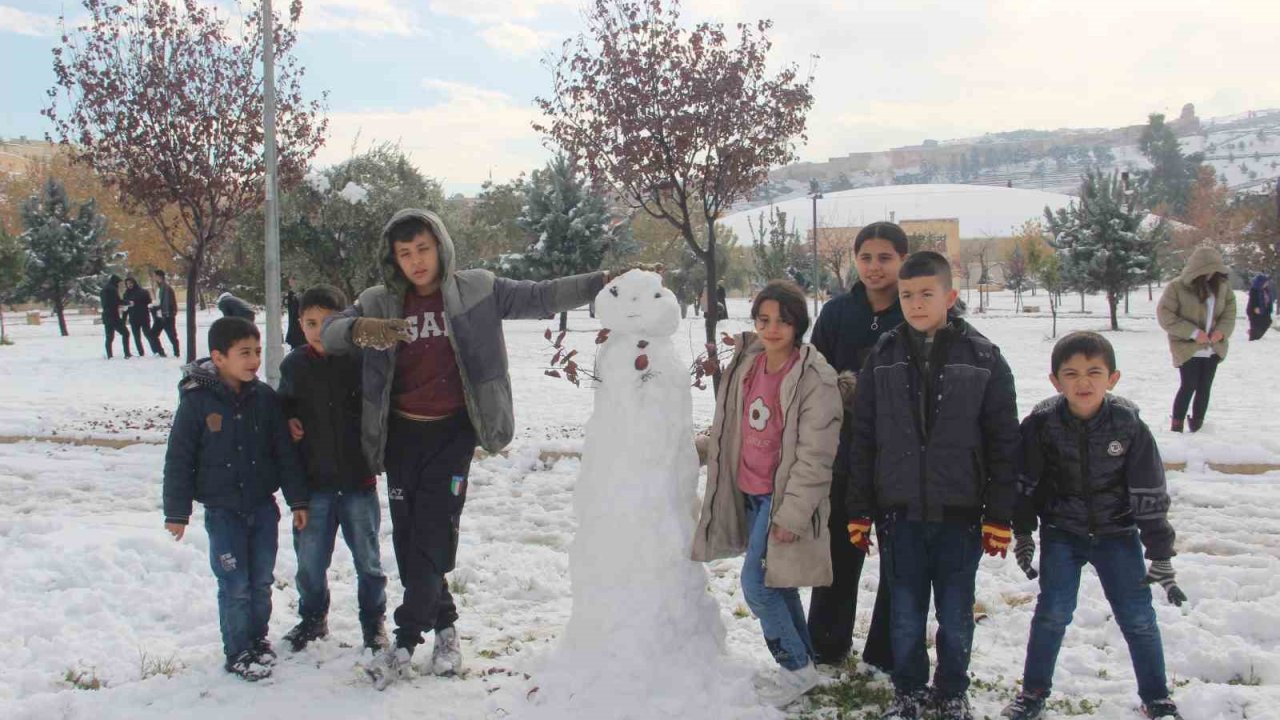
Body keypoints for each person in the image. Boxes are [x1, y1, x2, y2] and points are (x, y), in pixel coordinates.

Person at [320, 208, 612, 689]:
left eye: (423, 249)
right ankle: (448, 628)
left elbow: (540, 297)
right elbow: (329, 333)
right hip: (400, 437)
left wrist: (600, 281)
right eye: (404, 253)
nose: (416, 261)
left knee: (433, 531)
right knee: (412, 537)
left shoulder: (477, 289)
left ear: (440, 246)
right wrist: (360, 329)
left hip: (453, 433)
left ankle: (406, 640)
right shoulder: (379, 300)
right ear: (393, 258)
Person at [846, 251, 1020, 720]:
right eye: (907, 295)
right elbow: (864, 438)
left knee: (956, 614)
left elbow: (1005, 442)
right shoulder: (882, 356)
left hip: (960, 514)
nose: (916, 303)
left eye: (927, 294)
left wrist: (1001, 516)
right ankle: (909, 692)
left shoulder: (983, 357)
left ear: (951, 296)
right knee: (904, 614)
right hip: (899, 513)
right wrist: (859, 508)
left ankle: (951, 691)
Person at [1001, 332, 1185, 720]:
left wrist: (1161, 553)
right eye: (1071, 373)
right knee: (1052, 612)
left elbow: (1149, 490)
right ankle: (1033, 693)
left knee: (1137, 616)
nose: (1083, 382)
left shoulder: (1128, 425)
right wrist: (1023, 531)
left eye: (1093, 372)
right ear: (1055, 381)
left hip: (1117, 535)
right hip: (1062, 534)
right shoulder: (1041, 425)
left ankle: (1157, 698)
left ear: (1112, 378)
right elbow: (1025, 483)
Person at [691, 280, 843, 709]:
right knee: (779, 582)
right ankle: (805, 665)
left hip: (782, 502)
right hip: (750, 493)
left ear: (799, 325)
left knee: (757, 586)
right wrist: (698, 451)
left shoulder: (815, 378)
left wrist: (791, 516)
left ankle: (794, 667)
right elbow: (730, 428)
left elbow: (815, 457)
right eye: (763, 320)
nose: (772, 329)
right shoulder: (748, 364)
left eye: (783, 321)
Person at [161, 317, 309, 681]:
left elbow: (284, 454)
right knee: (234, 584)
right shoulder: (197, 403)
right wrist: (177, 512)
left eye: (257, 352)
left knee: (260, 580)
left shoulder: (265, 399)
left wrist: (298, 501)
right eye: (244, 353)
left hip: (262, 508)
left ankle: (257, 640)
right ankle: (238, 649)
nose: (254, 360)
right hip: (223, 512)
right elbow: (179, 458)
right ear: (219, 357)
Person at [806, 221, 907, 671]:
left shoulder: (915, 309)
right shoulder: (836, 314)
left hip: (902, 456)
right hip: (845, 454)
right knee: (839, 551)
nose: (874, 267)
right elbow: (814, 379)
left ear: (902, 260)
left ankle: (886, 652)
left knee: (900, 559)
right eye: (866, 257)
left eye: (885, 257)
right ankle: (827, 646)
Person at [277, 285, 388, 653]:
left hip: (358, 483)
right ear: (299, 324)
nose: (319, 330)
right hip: (315, 488)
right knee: (309, 563)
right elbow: (283, 409)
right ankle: (312, 618)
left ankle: (373, 623)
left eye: (329, 323)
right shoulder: (293, 365)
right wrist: (287, 419)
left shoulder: (361, 361)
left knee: (369, 563)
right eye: (310, 323)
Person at [1156, 247, 1236, 433]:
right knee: (1189, 385)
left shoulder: (1223, 287)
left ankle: (1198, 424)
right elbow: (1165, 315)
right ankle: (1177, 425)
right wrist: (1192, 333)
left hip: (1213, 348)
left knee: (1204, 387)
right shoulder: (1177, 287)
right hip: (1187, 348)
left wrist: (1221, 332)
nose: (1210, 274)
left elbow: (1229, 313)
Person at [123, 276, 162, 356]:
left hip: (144, 317)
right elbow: (125, 307)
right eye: (127, 284)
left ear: (134, 283)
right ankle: (141, 352)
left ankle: (155, 350)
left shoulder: (143, 292)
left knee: (148, 334)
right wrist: (124, 319)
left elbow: (149, 303)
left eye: (130, 283)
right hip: (133, 318)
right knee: (136, 336)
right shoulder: (126, 294)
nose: (129, 285)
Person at [100, 275, 131, 359]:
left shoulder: (104, 289)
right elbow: (117, 301)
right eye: (119, 283)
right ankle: (127, 353)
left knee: (109, 336)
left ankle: (109, 355)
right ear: (116, 282)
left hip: (106, 315)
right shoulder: (112, 289)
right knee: (125, 333)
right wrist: (128, 302)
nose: (119, 285)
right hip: (113, 316)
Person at [151, 269, 180, 357]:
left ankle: (176, 353)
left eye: (155, 276)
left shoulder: (166, 288)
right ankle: (160, 351)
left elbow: (167, 302)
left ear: (159, 276)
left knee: (171, 335)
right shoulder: (160, 287)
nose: (154, 278)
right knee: (153, 334)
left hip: (166, 315)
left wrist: (166, 313)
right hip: (161, 315)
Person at [1246, 273, 1273, 341]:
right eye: (1265, 282)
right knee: (1256, 325)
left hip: (1265, 310)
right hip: (1254, 310)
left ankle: (1253, 333)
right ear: (1260, 282)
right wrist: (1255, 307)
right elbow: (1252, 300)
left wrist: (1269, 309)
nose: (1267, 284)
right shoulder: (1254, 290)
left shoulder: (1266, 290)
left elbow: (1269, 300)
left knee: (1268, 321)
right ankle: (1253, 338)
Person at [285, 277, 306, 350]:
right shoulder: (291, 294)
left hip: (301, 333)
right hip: (295, 332)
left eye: (293, 279)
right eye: (290, 279)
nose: (290, 281)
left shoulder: (301, 294)